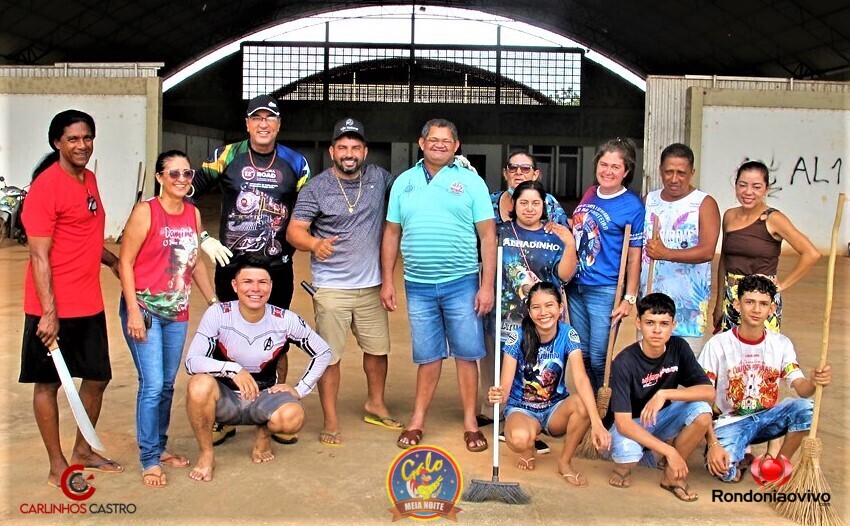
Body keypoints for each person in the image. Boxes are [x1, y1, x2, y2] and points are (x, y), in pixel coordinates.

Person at [192, 94, 311, 446]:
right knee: (223, 340)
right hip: (232, 268)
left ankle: (275, 404)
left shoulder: (297, 163)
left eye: (270, 118)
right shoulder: (226, 155)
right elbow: (184, 193)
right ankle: (223, 416)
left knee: (278, 341)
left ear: (279, 124)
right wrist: (203, 238)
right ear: (247, 123)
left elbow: (310, 209)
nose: (263, 124)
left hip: (277, 268)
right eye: (256, 118)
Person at [20, 109, 123, 488]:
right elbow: (39, 255)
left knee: (97, 378)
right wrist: (49, 313)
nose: (82, 145)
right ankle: (56, 464)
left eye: (87, 137)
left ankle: (83, 450)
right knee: (48, 384)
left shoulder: (89, 179)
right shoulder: (45, 188)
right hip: (50, 306)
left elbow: (85, 236)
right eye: (73, 139)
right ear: (57, 143)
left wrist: (112, 261)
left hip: (88, 301)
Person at [381, 118, 495, 452]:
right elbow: (392, 233)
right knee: (428, 356)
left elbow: (488, 235)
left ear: (456, 146)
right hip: (417, 285)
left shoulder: (471, 182)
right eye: (433, 139)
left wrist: (486, 285)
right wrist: (387, 280)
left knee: (466, 354)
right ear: (422, 143)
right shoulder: (404, 182)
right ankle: (417, 420)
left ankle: (471, 422)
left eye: (447, 140)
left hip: (462, 282)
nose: (439, 144)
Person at [287, 118, 399, 446]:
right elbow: (294, 230)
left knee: (377, 351)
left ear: (365, 151)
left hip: (371, 285)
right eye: (343, 147)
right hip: (332, 288)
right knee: (329, 356)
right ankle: (331, 419)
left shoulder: (379, 178)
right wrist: (314, 244)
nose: (349, 153)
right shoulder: (316, 188)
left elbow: (411, 190)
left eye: (355, 147)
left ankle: (375, 403)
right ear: (332, 151)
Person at [118, 150, 217, 487]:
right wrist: (133, 310)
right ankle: (149, 458)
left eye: (187, 173)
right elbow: (125, 262)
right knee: (152, 384)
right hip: (144, 309)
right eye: (173, 173)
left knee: (167, 385)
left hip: (177, 313)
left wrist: (213, 301)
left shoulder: (193, 213)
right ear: (160, 178)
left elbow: (196, 262)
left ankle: (160, 448)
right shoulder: (146, 212)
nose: (181, 179)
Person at [184, 260, 332, 482]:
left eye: (262, 282)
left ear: (271, 286)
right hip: (226, 399)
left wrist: (300, 389)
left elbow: (323, 352)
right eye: (247, 282)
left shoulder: (285, 319)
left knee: (293, 417)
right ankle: (207, 454)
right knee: (198, 385)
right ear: (235, 285)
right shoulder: (218, 314)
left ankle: (264, 432)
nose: (255, 288)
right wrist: (233, 369)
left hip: (264, 397)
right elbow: (191, 361)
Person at [700, 275, 831, 483]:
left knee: (807, 409)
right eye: (749, 302)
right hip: (731, 421)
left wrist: (814, 382)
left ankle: (778, 466)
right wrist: (713, 444)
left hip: (768, 418)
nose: (756, 309)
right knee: (725, 473)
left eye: (763, 304)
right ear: (737, 305)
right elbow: (701, 399)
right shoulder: (717, 345)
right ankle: (738, 454)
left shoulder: (781, 344)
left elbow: (801, 388)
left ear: (772, 309)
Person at [488, 282, 609, 485]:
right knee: (519, 439)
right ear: (529, 311)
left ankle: (565, 462)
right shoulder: (516, 337)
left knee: (584, 405)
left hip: (555, 409)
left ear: (560, 308)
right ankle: (528, 449)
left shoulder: (568, 334)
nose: (543, 312)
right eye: (536, 307)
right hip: (522, 409)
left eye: (549, 305)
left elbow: (581, 378)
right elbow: (505, 386)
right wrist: (497, 394)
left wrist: (596, 422)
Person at [607, 293, 714, 502]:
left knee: (702, 411)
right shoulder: (624, 362)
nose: (657, 330)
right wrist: (670, 452)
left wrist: (664, 394)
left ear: (673, 325)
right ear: (638, 323)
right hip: (630, 424)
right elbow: (622, 423)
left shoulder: (679, 347)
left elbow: (709, 392)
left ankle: (671, 477)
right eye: (650, 323)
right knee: (628, 458)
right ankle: (631, 464)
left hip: (660, 419)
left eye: (664, 324)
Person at [568, 138, 644, 392]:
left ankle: (609, 404)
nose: (608, 171)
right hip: (575, 285)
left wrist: (629, 297)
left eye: (615, 166)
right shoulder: (591, 193)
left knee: (600, 357)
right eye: (604, 164)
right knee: (583, 353)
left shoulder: (632, 205)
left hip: (605, 288)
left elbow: (634, 256)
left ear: (626, 171)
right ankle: (591, 405)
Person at [712, 160, 819, 333]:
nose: (748, 192)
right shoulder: (729, 216)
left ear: (766, 189)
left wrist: (781, 285)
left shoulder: (774, 219)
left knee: (762, 347)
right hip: (732, 299)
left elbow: (811, 254)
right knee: (731, 347)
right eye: (743, 185)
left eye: (756, 187)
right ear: (735, 185)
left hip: (760, 300)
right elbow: (724, 259)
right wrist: (719, 303)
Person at [641, 143, 720, 355]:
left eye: (681, 173)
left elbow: (707, 251)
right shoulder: (649, 201)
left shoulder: (704, 204)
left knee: (685, 366)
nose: (674, 179)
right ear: (660, 170)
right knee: (649, 367)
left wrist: (666, 253)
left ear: (692, 172)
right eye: (669, 172)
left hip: (689, 307)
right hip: (651, 304)